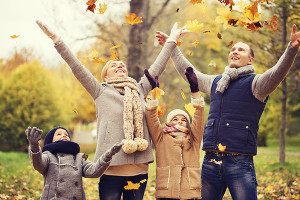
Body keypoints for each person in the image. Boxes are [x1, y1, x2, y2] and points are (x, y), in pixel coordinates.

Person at [36, 20, 189, 200]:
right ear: (105, 76)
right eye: (113, 65)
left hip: (139, 169)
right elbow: (76, 66)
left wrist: (172, 39)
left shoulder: (139, 89)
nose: (120, 65)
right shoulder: (100, 91)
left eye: (122, 64)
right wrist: (57, 39)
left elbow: (157, 67)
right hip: (110, 169)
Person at [155, 24, 300, 199]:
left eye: (241, 50)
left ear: (250, 60)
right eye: (233, 49)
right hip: (210, 161)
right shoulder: (216, 82)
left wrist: (291, 49)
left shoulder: (256, 84)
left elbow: (277, 73)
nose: (235, 51)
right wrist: (172, 47)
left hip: (239, 162)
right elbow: (190, 74)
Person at [144, 67, 205, 200]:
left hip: (190, 192)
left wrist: (195, 91)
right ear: (168, 122)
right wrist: (155, 92)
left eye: (184, 120)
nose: (180, 121)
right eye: (175, 119)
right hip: (167, 191)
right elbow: (152, 117)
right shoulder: (161, 137)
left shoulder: (193, 138)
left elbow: (199, 117)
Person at [25, 126, 122, 200]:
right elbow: (38, 164)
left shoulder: (81, 156)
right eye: (58, 134)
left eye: (66, 134)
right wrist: (34, 146)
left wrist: (108, 155)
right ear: (50, 141)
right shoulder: (48, 155)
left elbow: (93, 171)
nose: (64, 135)